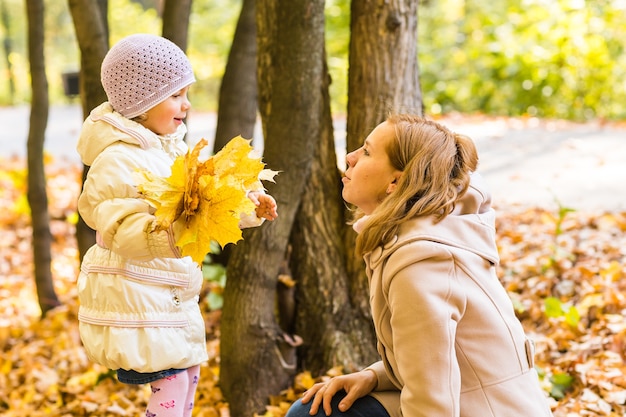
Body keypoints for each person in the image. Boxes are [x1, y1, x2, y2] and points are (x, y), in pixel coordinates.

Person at [286, 114, 553, 417]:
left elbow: (433, 404)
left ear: (396, 181)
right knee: (318, 410)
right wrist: (374, 376)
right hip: (469, 400)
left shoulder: (420, 264)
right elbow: (443, 359)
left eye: (368, 151)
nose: (351, 157)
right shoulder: (418, 234)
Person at [75, 34, 277, 417]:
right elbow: (119, 229)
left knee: (188, 376)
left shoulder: (174, 149)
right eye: (175, 96)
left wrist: (247, 206)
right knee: (172, 382)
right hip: (136, 296)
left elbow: (206, 202)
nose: (186, 105)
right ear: (142, 103)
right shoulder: (116, 160)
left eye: (186, 93)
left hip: (169, 296)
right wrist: (169, 233)